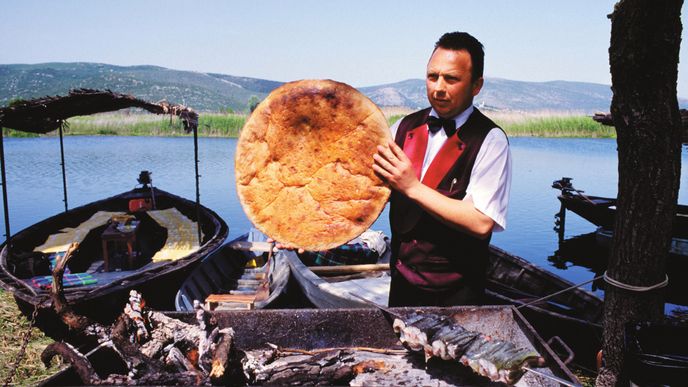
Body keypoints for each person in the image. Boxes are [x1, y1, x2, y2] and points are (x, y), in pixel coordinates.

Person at [373, 31, 511, 307]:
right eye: (432, 76)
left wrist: (411, 187)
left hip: (457, 296)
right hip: (400, 284)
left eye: (452, 79)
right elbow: (369, 190)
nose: (438, 87)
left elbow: (480, 222)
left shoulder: (491, 140)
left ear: (476, 85)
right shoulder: (402, 127)